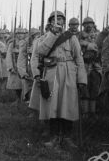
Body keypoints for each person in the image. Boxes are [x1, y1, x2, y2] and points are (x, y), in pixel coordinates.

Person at [31, 10, 87, 149]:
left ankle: (67, 137)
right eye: (55, 19)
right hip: (51, 72)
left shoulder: (71, 37)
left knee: (67, 104)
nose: (59, 21)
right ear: (50, 22)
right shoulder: (44, 37)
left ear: (64, 22)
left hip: (68, 72)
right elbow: (41, 52)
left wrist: (81, 79)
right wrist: (52, 34)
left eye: (61, 19)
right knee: (52, 105)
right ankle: (55, 136)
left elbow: (79, 58)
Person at [17, 27, 40, 104]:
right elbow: (21, 59)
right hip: (29, 68)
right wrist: (22, 72)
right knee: (28, 88)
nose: (36, 37)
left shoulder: (42, 42)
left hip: (39, 68)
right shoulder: (25, 43)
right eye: (35, 35)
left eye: (38, 35)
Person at [6, 28, 27, 104]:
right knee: (16, 84)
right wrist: (10, 67)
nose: (20, 35)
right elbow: (8, 56)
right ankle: (18, 99)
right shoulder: (12, 44)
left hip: (24, 65)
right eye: (18, 33)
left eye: (22, 33)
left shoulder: (27, 43)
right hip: (15, 65)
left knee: (25, 84)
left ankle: (25, 99)